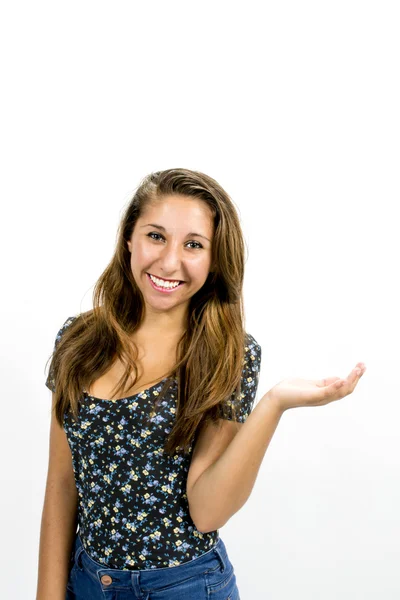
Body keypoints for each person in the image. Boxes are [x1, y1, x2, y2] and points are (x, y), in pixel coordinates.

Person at [36, 168, 366, 600]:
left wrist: (273, 404)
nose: (170, 261)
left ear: (213, 261)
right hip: (86, 582)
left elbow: (207, 511)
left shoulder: (228, 356)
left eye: (193, 245)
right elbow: (62, 484)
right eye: (156, 236)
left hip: (184, 587)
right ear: (129, 240)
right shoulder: (78, 339)